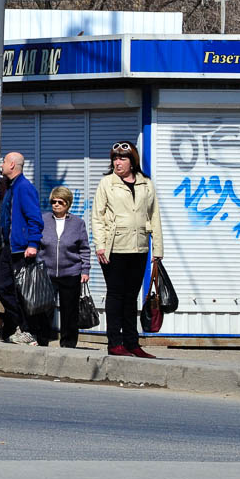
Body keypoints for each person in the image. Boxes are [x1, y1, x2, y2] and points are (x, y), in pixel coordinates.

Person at [93, 140, 163, 359]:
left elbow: (154, 216)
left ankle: (132, 343)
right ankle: (114, 343)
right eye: (114, 158)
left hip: (139, 246)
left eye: (122, 158)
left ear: (133, 161)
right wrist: (100, 246)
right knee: (116, 295)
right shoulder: (107, 183)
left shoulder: (146, 184)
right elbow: (97, 216)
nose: (117, 162)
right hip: (114, 248)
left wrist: (157, 249)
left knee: (131, 296)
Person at [0, 151, 43, 346]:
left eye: (4, 161)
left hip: (21, 248)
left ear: (12, 165)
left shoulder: (24, 187)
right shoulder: (11, 187)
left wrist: (33, 244)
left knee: (18, 291)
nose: (1, 164)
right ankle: (19, 327)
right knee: (5, 287)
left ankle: (27, 330)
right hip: (9, 247)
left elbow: (35, 218)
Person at [39, 186, 90, 348]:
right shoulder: (43, 220)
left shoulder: (78, 223)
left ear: (67, 204)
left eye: (60, 202)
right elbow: (37, 244)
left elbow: (84, 248)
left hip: (71, 272)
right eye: (53, 202)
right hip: (47, 272)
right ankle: (42, 340)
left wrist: (85, 270)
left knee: (70, 311)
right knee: (44, 309)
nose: (56, 205)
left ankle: (68, 344)